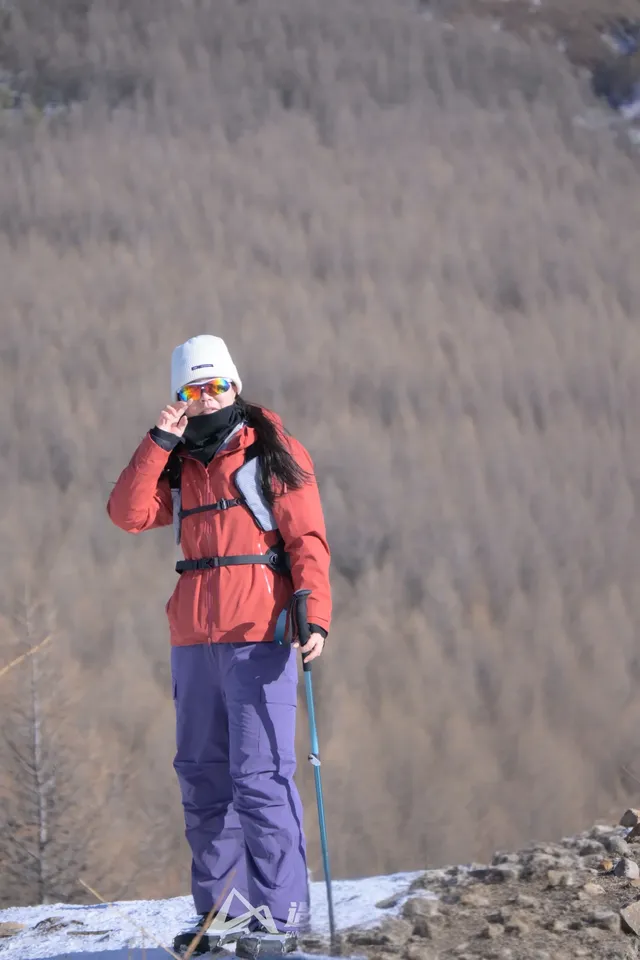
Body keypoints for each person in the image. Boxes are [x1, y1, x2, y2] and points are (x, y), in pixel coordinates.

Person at [107, 335, 332, 956]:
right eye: (192, 389)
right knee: (203, 778)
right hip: (192, 638)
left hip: (260, 632)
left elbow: (307, 536)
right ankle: (222, 914)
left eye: (216, 386)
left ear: (235, 384)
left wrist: (313, 613)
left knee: (259, 776)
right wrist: (158, 441)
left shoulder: (271, 451)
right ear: (178, 395)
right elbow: (126, 513)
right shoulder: (178, 462)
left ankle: (282, 916)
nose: (206, 398)